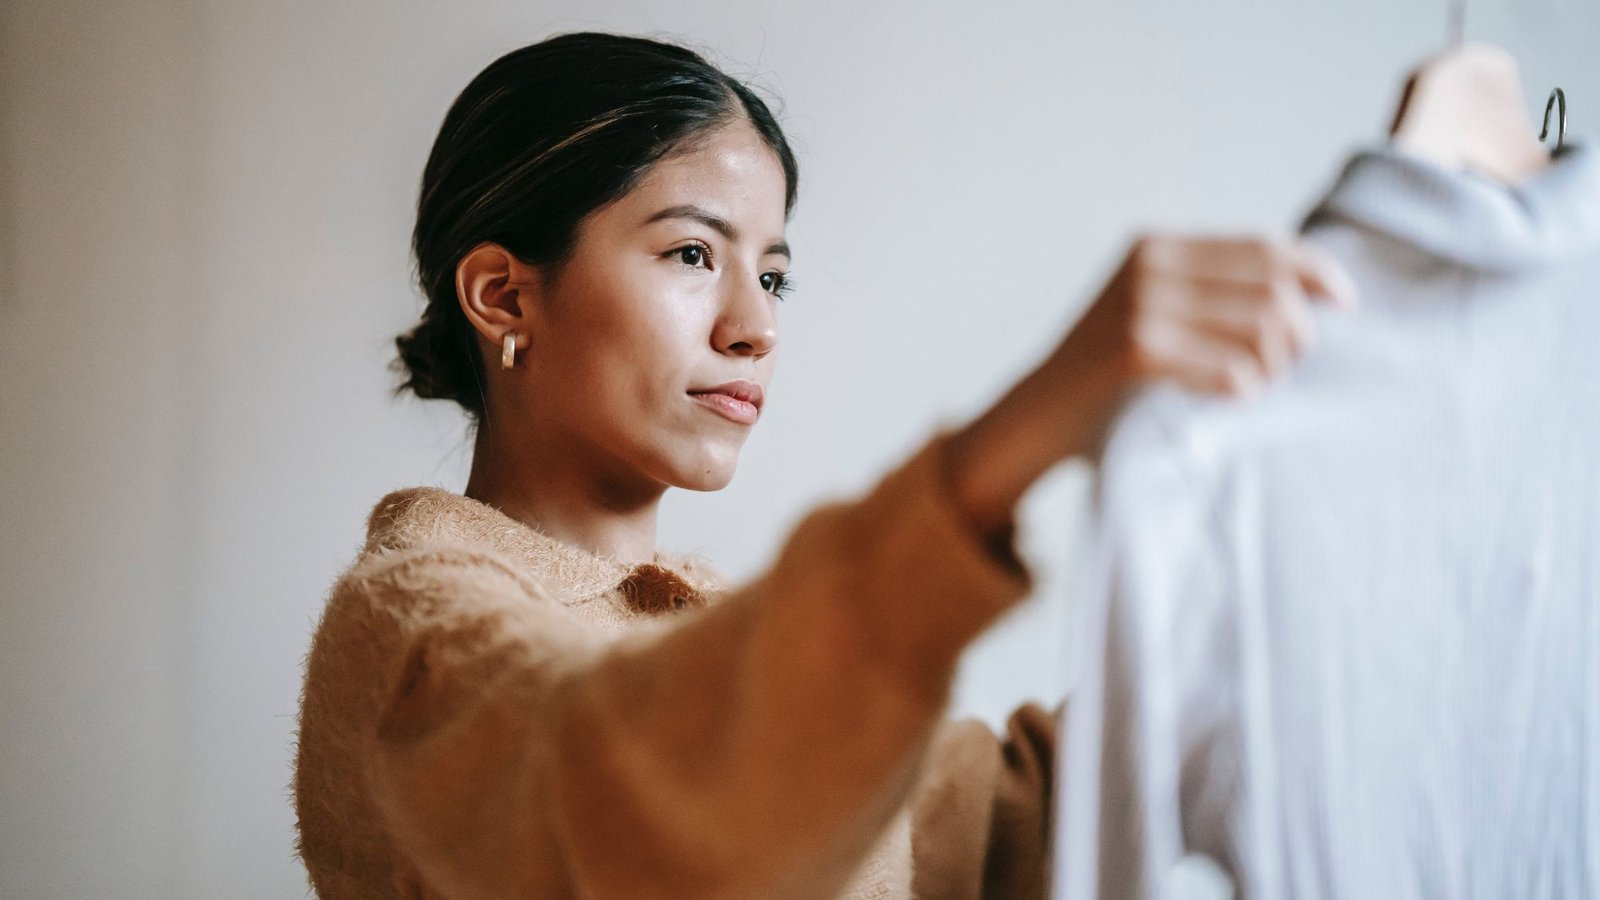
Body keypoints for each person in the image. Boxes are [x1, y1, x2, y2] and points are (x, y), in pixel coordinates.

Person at [291, 31, 1357, 900]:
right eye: (692, 254)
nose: (755, 325)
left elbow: (990, 833)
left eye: (776, 274)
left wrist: (1257, 623)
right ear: (503, 296)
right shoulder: (409, 630)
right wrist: (1014, 439)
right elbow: (642, 808)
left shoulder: (733, 641)